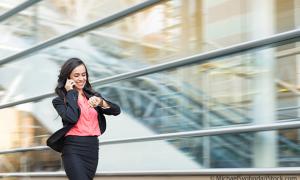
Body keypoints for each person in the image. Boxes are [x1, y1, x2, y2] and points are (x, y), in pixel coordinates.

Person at [46, 58, 121, 180]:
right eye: (76, 75)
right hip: (73, 148)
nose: (81, 78)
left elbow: (116, 110)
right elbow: (72, 118)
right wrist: (70, 92)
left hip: (92, 148)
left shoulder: (93, 96)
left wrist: (101, 102)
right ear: (68, 78)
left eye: (83, 74)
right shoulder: (59, 101)